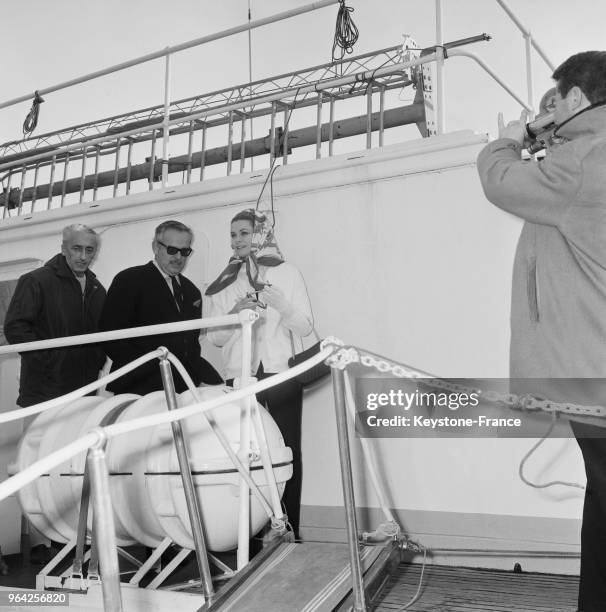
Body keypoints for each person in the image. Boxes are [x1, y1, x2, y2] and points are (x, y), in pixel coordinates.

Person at [477, 50, 606, 612]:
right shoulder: (583, 158)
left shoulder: (581, 162)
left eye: (557, 97)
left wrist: (510, 136)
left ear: (576, 99)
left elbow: (501, 180)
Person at [206, 209, 313, 539]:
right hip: (238, 377)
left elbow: (305, 327)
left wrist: (280, 303)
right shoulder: (224, 281)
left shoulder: (288, 273)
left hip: (280, 373)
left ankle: (288, 529)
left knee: (285, 451)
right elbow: (214, 338)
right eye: (233, 234)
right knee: (241, 452)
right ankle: (244, 534)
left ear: (259, 235)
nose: (237, 240)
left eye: (243, 233)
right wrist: (234, 315)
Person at [100, 220, 222, 395]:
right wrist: (150, 370)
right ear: (156, 247)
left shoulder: (192, 291)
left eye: (185, 251)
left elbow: (191, 344)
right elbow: (110, 337)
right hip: (139, 388)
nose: (179, 257)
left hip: (183, 387)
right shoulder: (129, 280)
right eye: (172, 250)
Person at [4, 223, 106, 407]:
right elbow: (15, 328)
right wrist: (49, 363)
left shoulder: (97, 289)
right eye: (77, 249)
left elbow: (101, 332)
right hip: (44, 392)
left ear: (95, 253)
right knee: (40, 437)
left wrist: (96, 361)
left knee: (81, 436)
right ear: (63, 249)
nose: (83, 256)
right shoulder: (36, 280)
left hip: (86, 390)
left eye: (89, 250)